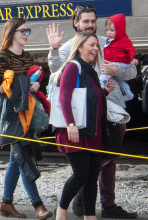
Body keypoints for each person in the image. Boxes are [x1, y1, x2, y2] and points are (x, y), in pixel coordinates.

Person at [47, 6, 137, 219]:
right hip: (81, 119)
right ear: (76, 23)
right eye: (85, 21)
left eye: (93, 21)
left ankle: (105, 206)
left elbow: (132, 71)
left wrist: (117, 70)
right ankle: (75, 204)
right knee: (85, 171)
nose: (90, 25)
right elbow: (56, 72)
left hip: (109, 112)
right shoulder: (71, 50)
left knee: (106, 163)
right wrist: (53, 49)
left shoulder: (109, 42)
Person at [0, 18, 53, 219]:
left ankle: (6, 203)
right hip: (11, 113)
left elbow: (34, 79)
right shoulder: (2, 56)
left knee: (15, 160)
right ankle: (38, 205)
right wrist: (22, 83)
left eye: (28, 31)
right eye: (23, 31)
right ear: (12, 33)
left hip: (27, 110)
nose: (26, 34)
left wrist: (34, 85)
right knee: (23, 156)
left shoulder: (28, 57)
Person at [52, 33, 109, 220]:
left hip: (91, 131)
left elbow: (89, 99)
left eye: (96, 45)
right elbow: (64, 97)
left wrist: (104, 93)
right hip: (75, 131)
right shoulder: (72, 67)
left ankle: (90, 216)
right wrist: (70, 124)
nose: (95, 48)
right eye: (91, 45)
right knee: (81, 174)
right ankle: (61, 210)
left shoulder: (89, 71)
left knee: (92, 177)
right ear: (79, 47)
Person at [102, 14, 136, 102]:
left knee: (104, 75)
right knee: (121, 81)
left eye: (112, 30)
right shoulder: (109, 41)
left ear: (119, 30)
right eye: (107, 30)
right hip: (115, 63)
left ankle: (101, 84)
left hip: (120, 63)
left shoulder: (123, 40)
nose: (108, 33)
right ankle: (128, 94)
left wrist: (134, 58)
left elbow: (131, 50)